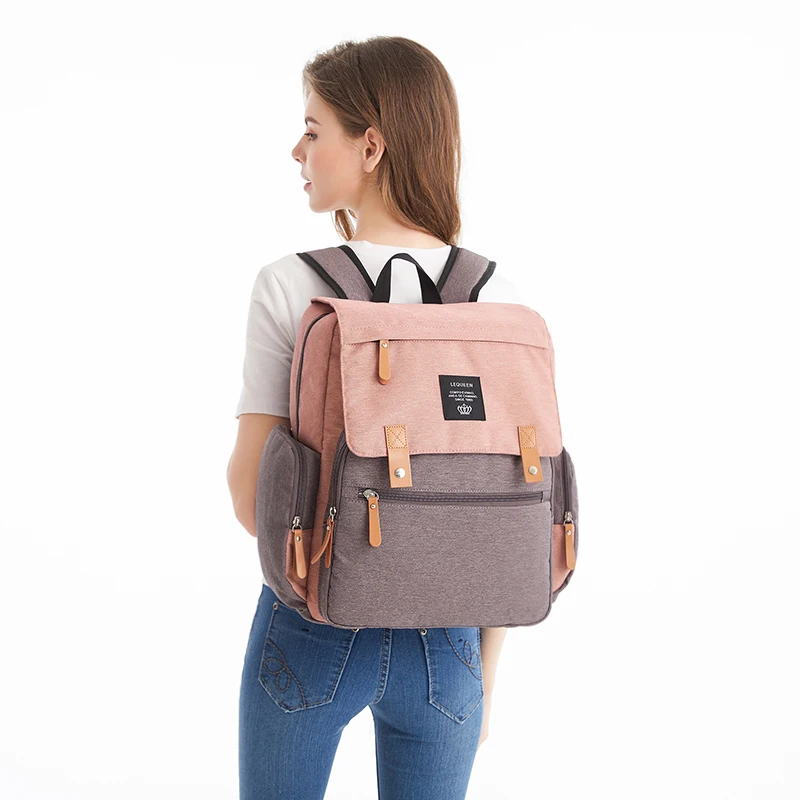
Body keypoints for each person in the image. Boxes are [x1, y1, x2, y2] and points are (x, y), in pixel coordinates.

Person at [227, 35, 525, 800]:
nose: (297, 151)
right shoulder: (488, 296)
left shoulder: (290, 287)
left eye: (313, 129)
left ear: (371, 146)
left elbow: (251, 501)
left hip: (312, 626)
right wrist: (484, 671)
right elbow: (504, 509)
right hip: (451, 648)